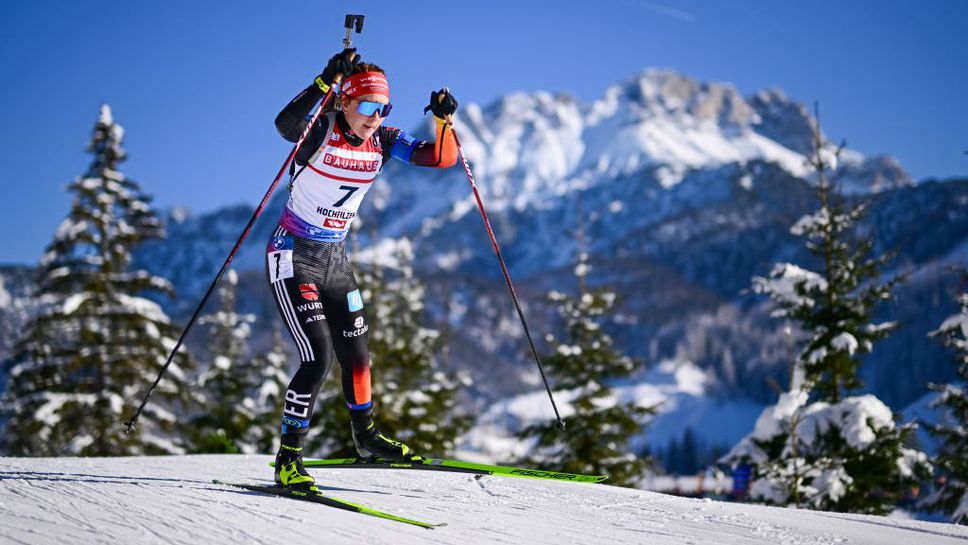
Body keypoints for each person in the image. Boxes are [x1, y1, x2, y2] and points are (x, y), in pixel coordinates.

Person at [266, 48, 459, 490]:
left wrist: (444, 121)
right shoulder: (321, 129)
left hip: (335, 259)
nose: (375, 116)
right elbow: (285, 127)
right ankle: (288, 460)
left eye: (383, 108)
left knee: (358, 357)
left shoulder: (384, 140)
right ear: (346, 102)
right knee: (317, 359)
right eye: (368, 107)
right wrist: (323, 81)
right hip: (293, 254)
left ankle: (366, 437)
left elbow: (439, 159)